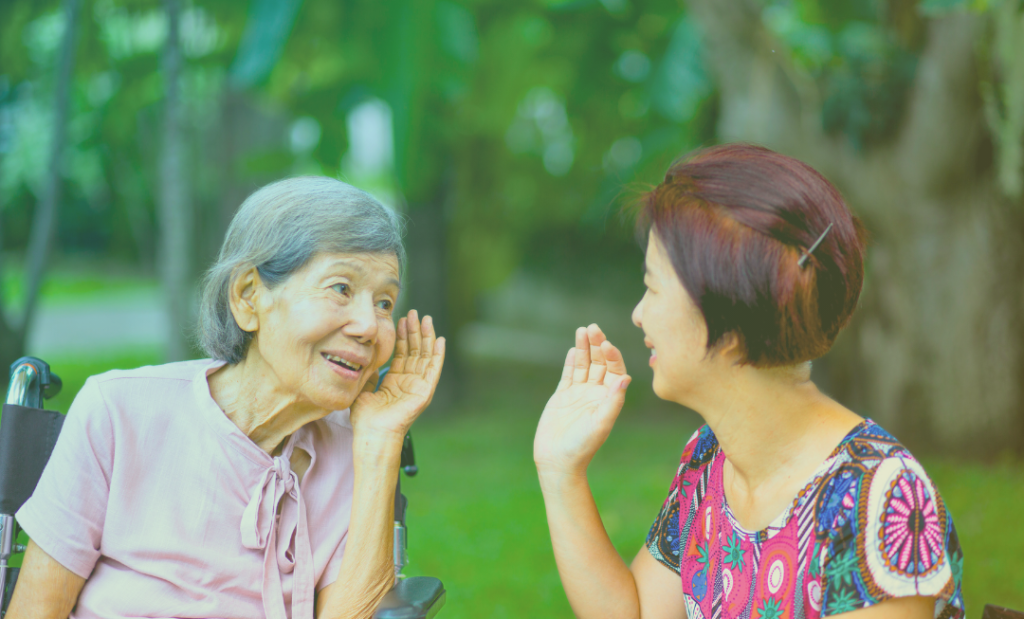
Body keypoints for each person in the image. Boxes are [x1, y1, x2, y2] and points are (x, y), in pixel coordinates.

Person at [533, 144, 964, 619]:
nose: (638, 315)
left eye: (653, 287)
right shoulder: (709, 461)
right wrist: (560, 472)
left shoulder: (875, 502)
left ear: (730, 322)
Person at [9, 177, 445, 619]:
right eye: (342, 289)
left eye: (385, 302)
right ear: (248, 297)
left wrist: (380, 442)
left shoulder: (356, 455)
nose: (369, 326)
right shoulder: (119, 412)